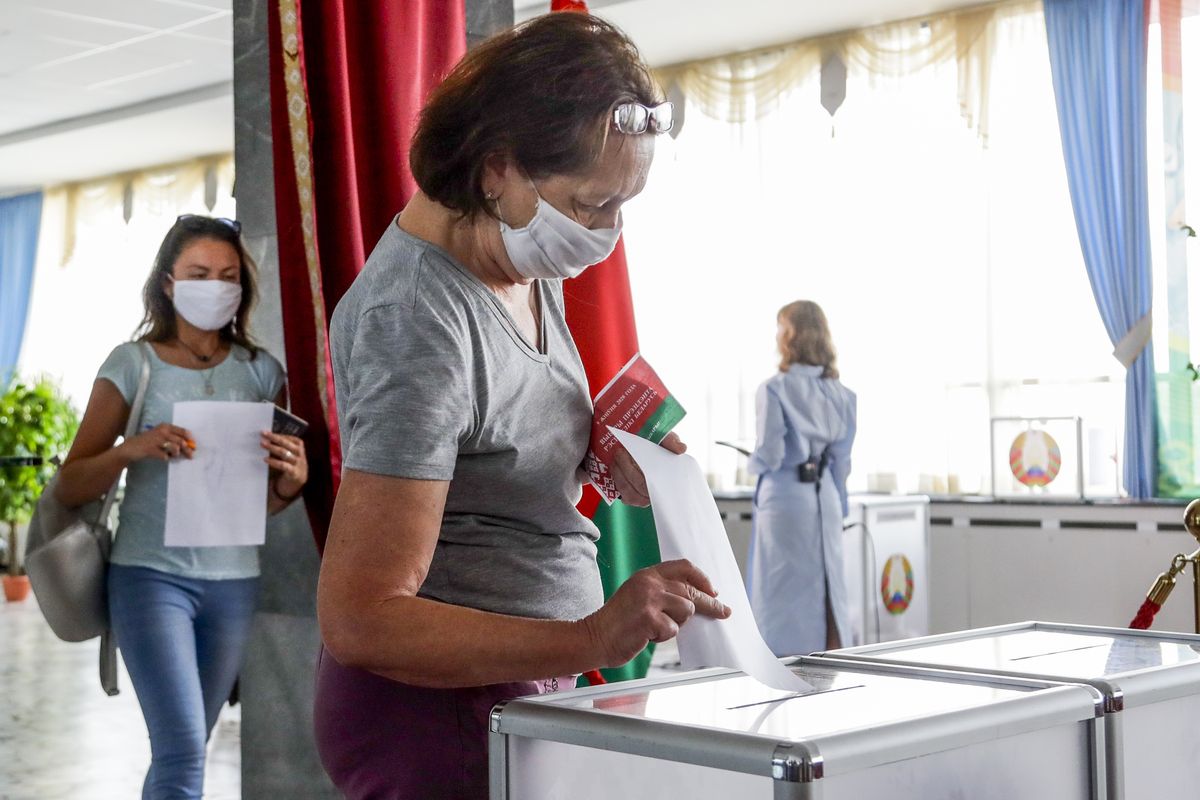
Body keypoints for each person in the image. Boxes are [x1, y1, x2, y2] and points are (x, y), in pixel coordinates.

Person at [314, 13, 730, 799]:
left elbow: (494, 441)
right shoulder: (416, 319)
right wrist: (593, 634)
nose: (607, 232)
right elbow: (363, 618)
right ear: (497, 169)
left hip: (519, 684)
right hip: (440, 714)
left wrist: (604, 452)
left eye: (621, 206)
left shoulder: (522, 258)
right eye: (591, 204)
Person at [55, 214, 309, 800]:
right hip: (150, 577)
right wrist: (135, 448)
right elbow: (70, 484)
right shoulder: (133, 364)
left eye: (228, 276)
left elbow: (254, 505)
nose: (215, 286)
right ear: (167, 283)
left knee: (186, 749)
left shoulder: (261, 373)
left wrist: (291, 484)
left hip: (233, 583)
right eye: (199, 273)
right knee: (180, 750)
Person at [746, 300, 856, 658]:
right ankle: (831, 663)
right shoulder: (842, 394)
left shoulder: (775, 389)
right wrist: (839, 507)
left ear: (789, 334)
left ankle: (783, 668)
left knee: (781, 591)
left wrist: (751, 465)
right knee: (827, 587)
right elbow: (841, 462)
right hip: (825, 496)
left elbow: (771, 454)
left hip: (786, 498)